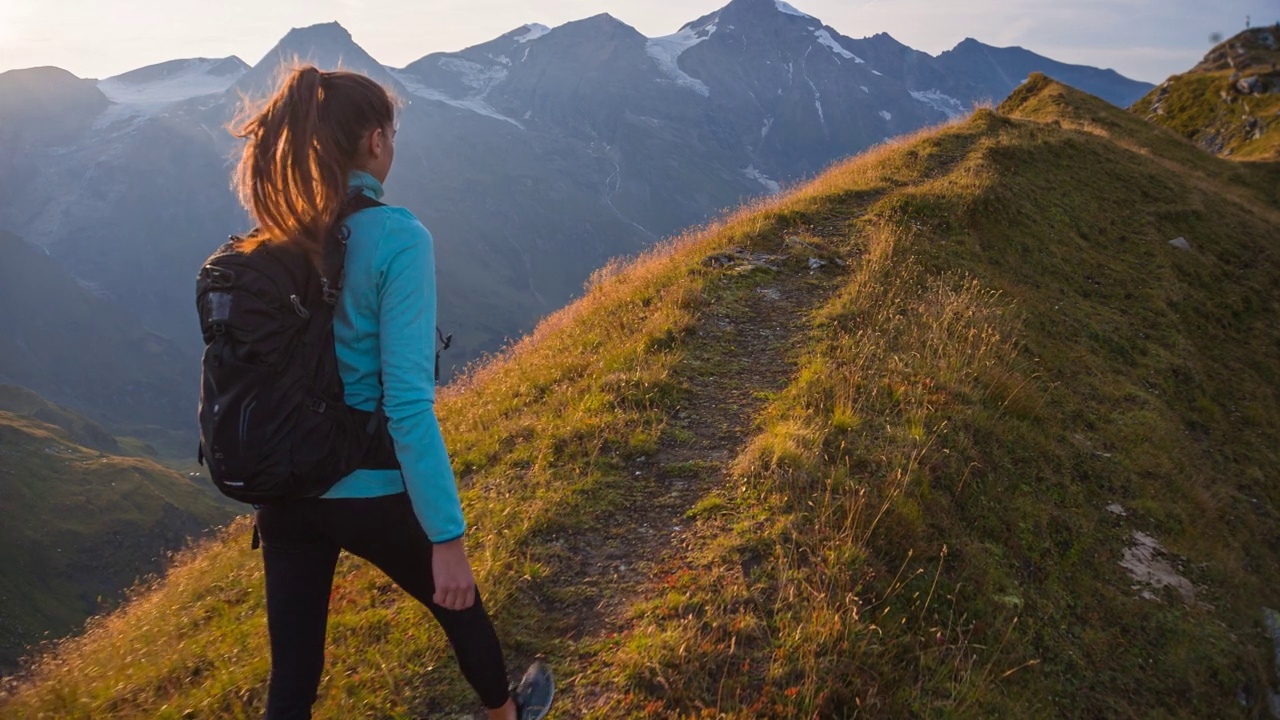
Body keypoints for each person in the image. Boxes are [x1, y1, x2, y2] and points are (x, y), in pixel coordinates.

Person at [229, 65, 553, 720]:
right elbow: (406, 403)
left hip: (284, 491)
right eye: (393, 133)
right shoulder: (399, 237)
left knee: (292, 680)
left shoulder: (280, 235)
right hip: (365, 486)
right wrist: (449, 536)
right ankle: (506, 713)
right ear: (375, 141)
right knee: (458, 604)